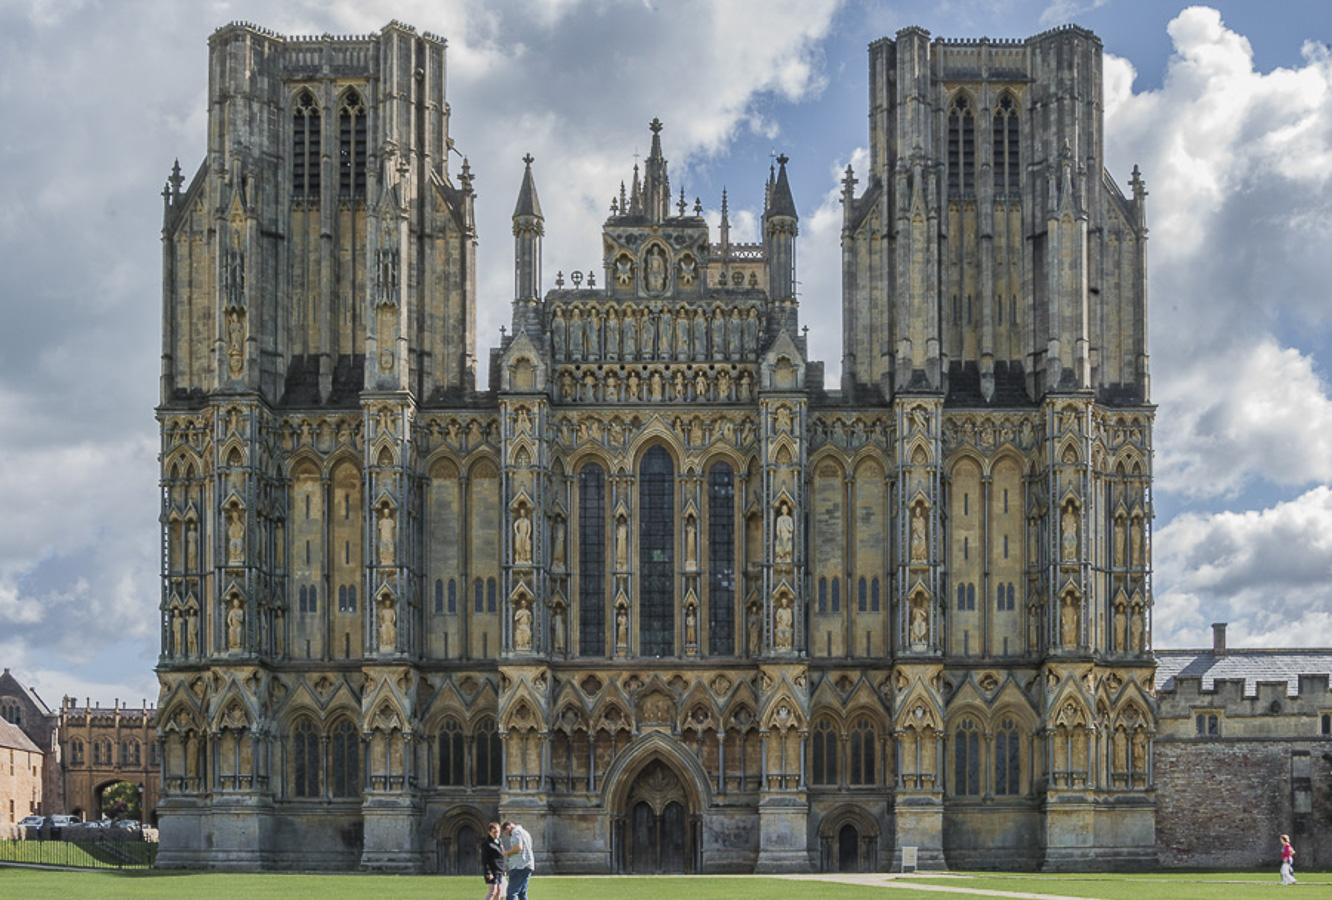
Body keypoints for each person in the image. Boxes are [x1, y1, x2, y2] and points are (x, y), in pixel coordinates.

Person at [502, 820, 534, 900]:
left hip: (519, 866)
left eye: (506, 832)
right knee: (522, 893)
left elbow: (518, 848)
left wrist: (506, 853)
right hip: (528, 865)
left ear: (508, 827)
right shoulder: (525, 832)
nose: (507, 835)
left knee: (511, 893)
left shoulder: (515, 832)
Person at [482, 822, 506, 900]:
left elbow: (502, 857)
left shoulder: (500, 841)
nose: (497, 834)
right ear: (489, 832)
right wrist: (488, 872)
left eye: (498, 832)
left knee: (499, 891)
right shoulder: (486, 843)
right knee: (493, 891)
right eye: (494, 832)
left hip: (499, 869)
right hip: (492, 870)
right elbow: (485, 859)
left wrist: (503, 869)